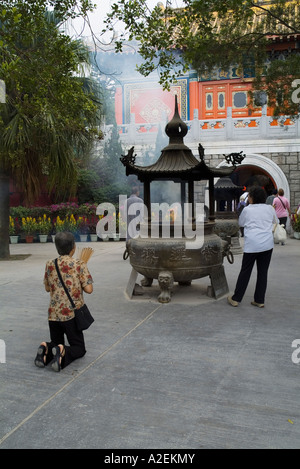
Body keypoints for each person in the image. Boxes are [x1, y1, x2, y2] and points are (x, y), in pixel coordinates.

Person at [34, 232, 93, 372]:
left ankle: (46, 349)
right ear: (73, 247)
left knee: (56, 342)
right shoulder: (79, 264)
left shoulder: (50, 264)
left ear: (57, 247)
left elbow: (48, 288)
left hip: (53, 314)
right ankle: (62, 352)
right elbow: (89, 289)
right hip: (71, 315)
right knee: (79, 348)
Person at [228, 186, 278, 308]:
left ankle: (236, 298)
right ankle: (259, 300)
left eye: (249, 196)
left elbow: (241, 223)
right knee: (262, 272)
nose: (248, 198)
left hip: (252, 245)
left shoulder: (247, 210)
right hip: (267, 244)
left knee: (245, 271)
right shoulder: (269, 209)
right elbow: (275, 221)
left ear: (252, 198)